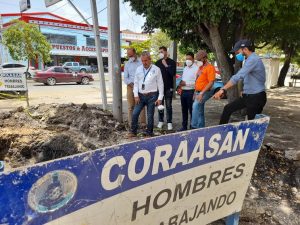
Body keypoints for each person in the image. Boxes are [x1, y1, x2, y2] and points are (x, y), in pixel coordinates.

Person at [214, 39, 267, 124]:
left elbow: (238, 76)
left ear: (245, 49)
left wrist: (222, 89)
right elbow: (246, 77)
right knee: (228, 108)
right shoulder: (248, 59)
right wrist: (243, 90)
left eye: (238, 52)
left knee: (251, 124)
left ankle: (250, 136)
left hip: (256, 97)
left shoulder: (253, 59)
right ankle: (222, 132)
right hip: (248, 96)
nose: (237, 55)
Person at [128, 51, 164, 137]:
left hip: (152, 96)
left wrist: (160, 98)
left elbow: (160, 84)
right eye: (143, 61)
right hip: (140, 96)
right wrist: (136, 95)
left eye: (146, 60)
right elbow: (136, 83)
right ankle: (133, 132)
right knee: (135, 113)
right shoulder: (139, 69)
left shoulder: (156, 69)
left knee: (150, 115)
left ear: (150, 60)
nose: (144, 63)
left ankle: (149, 133)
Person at [191, 50, 216, 129]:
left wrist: (201, 93)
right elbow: (198, 80)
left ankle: (193, 126)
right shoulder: (200, 68)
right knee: (200, 110)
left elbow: (211, 82)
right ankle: (201, 129)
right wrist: (195, 92)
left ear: (204, 58)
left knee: (196, 105)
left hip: (206, 91)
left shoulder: (210, 67)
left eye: (199, 60)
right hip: (198, 91)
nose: (198, 61)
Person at [123, 48, 146, 127]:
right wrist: (133, 86)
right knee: (131, 106)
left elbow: (145, 73)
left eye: (131, 55)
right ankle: (131, 123)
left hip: (141, 86)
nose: (130, 57)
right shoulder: (127, 64)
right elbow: (125, 78)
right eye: (129, 56)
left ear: (135, 54)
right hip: (130, 86)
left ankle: (143, 123)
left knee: (142, 105)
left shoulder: (141, 62)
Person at [155, 46, 176, 130]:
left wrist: (166, 65)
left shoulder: (172, 62)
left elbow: (173, 74)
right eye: (159, 52)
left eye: (162, 52)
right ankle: (160, 121)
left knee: (168, 106)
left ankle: (169, 122)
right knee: (160, 105)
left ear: (166, 52)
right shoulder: (157, 63)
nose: (160, 53)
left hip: (168, 87)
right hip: (159, 89)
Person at [178, 52, 198, 131]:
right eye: (186, 59)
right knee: (184, 110)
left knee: (191, 110)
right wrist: (181, 84)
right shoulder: (185, 68)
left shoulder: (196, 68)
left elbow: (197, 82)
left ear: (193, 59)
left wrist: (186, 83)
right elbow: (183, 79)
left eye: (189, 59)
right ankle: (184, 126)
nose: (187, 61)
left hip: (191, 92)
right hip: (183, 91)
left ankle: (192, 127)